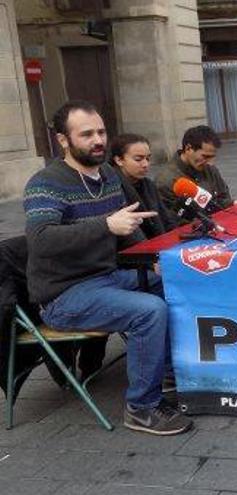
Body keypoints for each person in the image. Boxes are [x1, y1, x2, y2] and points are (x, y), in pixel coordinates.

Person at [23, 100, 192, 435]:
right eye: (86, 134)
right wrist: (105, 225)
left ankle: (170, 374)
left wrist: (154, 261)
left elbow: (127, 230)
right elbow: (40, 239)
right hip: (65, 295)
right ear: (63, 140)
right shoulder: (46, 182)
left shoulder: (108, 177)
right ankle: (141, 408)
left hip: (108, 278)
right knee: (150, 311)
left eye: (101, 131)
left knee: (177, 283)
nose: (97, 139)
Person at [110, 134, 177, 240]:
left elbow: (166, 219)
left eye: (148, 158)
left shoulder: (148, 185)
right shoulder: (111, 189)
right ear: (119, 160)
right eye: (138, 159)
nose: (145, 164)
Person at [156, 125, 231, 218]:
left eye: (212, 157)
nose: (210, 163)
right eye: (205, 156)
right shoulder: (166, 181)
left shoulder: (210, 170)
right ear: (188, 148)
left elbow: (224, 199)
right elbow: (172, 221)